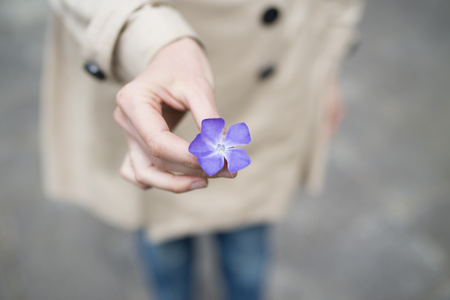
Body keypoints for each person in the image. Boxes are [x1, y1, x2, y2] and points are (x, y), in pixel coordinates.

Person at [41, 0, 363, 299]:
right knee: (169, 265)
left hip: (271, 87)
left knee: (248, 265)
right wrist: (148, 35)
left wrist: (329, 61)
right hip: (152, 77)